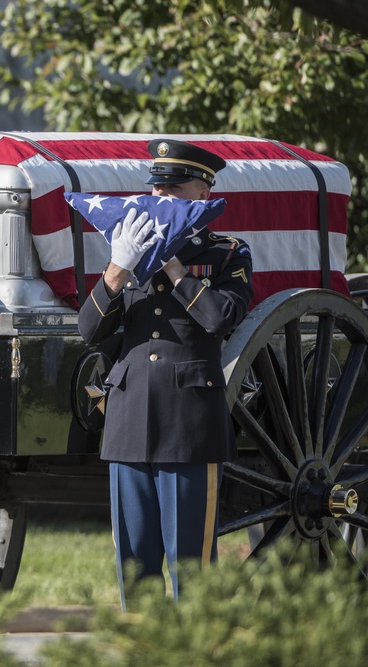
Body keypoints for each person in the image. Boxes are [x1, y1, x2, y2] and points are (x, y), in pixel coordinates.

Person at [77, 138, 254, 608]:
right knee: (134, 567)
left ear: (202, 193)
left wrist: (173, 265)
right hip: (129, 419)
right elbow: (89, 329)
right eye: (157, 191)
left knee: (190, 566)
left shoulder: (227, 253)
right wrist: (118, 269)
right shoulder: (129, 251)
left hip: (188, 422)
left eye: (175, 192)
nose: (161, 200)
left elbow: (219, 318)